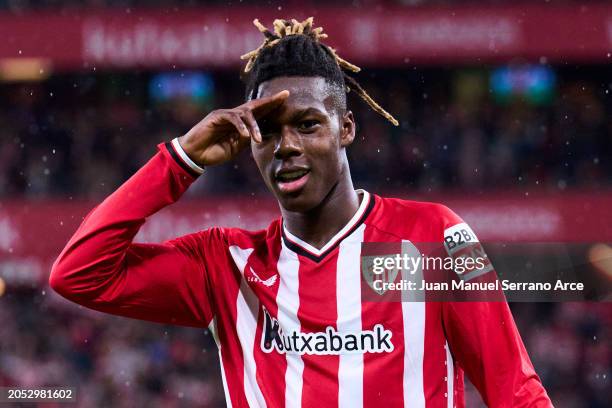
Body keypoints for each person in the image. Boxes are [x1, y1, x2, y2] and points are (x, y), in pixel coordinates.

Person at [50, 17, 552, 407]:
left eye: (308, 124)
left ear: (347, 128)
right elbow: (79, 274)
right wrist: (181, 158)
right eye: (267, 132)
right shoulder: (227, 266)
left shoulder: (430, 237)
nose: (285, 146)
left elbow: (514, 389)